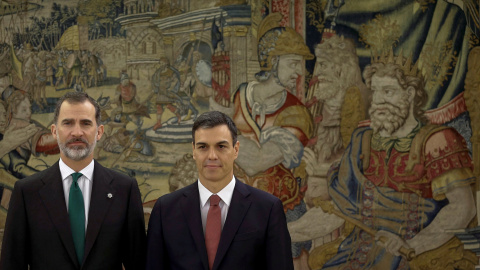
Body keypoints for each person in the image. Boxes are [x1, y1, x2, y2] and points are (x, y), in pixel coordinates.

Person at [322, 51, 476, 269]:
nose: (379, 100)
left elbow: (463, 207)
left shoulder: (437, 140)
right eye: (375, 91)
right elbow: (342, 207)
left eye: (388, 91)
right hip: (360, 250)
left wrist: (412, 244)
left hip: (417, 252)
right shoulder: (362, 140)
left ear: (410, 94)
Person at [0, 92, 147, 269]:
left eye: (86, 123)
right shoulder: (27, 192)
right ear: (54, 131)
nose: (77, 132)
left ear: (99, 132)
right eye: (68, 123)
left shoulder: (125, 189)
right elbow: (12, 264)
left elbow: (139, 264)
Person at [146, 111, 293, 270]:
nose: (212, 155)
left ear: (236, 149)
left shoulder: (268, 209)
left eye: (221, 146)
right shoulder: (165, 210)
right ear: (194, 150)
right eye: (203, 147)